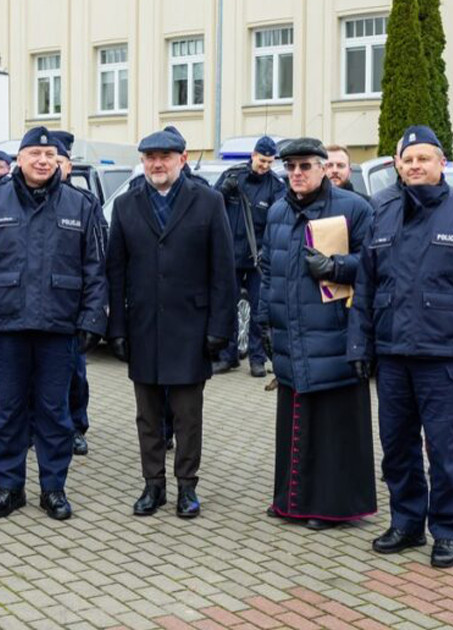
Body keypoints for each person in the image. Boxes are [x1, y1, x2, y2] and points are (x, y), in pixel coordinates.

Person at [350, 125, 453, 568]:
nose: (415, 165)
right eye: (408, 159)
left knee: (444, 449)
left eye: (424, 158)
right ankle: (407, 522)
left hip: (443, 359)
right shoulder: (382, 214)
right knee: (396, 447)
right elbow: (365, 288)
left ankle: (449, 530)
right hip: (394, 356)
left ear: (442, 163)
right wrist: (360, 346)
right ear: (398, 165)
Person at [0, 126, 108, 521]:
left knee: (54, 413)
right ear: (20, 159)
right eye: (34, 154)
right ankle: (9, 488)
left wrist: (93, 317)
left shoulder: (81, 205)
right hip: (7, 328)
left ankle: (53, 488)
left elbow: (95, 268)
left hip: (59, 329)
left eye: (49, 155)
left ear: (58, 161)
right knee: (7, 412)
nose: (42, 161)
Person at [106, 128, 235, 518]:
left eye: (164, 156)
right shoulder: (127, 205)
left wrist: (219, 328)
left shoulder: (209, 202)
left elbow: (223, 272)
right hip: (143, 326)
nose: (157, 164)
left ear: (182, 158)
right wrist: (117, 329)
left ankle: (186, 487)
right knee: (147, 414)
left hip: (191, 328)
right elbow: (115, 272)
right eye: (150, 158)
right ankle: (153, 486)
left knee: (186, 414)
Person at [254, 138, 376, 530]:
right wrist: (264, 321)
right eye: (290, 168)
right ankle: (291, 501)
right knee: (294, 423)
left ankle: (331, 508)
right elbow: (268, 271)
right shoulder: (277, 212)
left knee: (332, 426)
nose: (297, 174)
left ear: (325, 168)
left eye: (305, 166)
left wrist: (336, 267)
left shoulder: (353, 208)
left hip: (335, 334)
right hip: (292, 331)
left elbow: (374, 265)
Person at [212, 136, 286, 377]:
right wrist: (223, 192)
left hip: (258, 259)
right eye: (262, 160)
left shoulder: (275, 186)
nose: (265, 165)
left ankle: (257, 359)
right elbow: (211, 205)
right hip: (230, 255)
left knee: (258, 310)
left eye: (269, 161)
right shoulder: (233, 176)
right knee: (228, 308)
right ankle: (228, 356)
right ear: (253, 155)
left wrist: (268, 250)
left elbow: (280, 222)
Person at [53, 129, 102, 456]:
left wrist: (94, 312)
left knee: (74, 375)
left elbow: (97, 259)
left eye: (59, 160)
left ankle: (75, 426)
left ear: (69, 166)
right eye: (47, 159)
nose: (52, 166)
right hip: (41, 309)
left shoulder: (84, 204)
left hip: (72, 308)